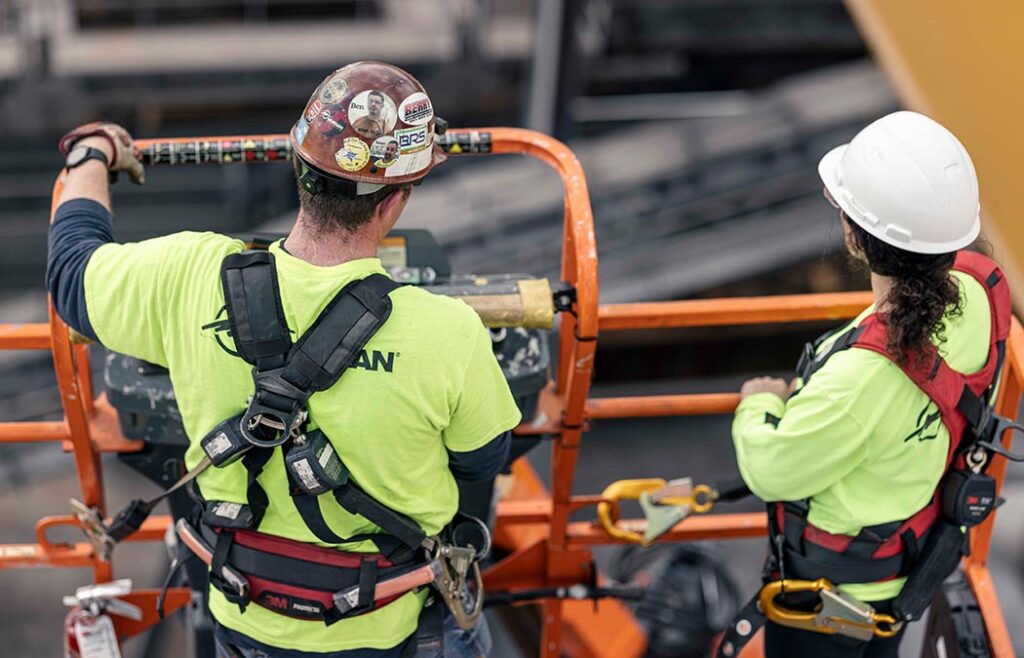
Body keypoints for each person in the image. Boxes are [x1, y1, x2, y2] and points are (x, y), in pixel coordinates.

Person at [47, 61, 521, 658]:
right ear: (395, 202)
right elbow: (483, 461)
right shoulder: (449, 332)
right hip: (388, 626)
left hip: (246, 618)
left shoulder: (188, 276)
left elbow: (69, 273)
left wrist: (89, 154)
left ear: (297, 165)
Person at [731, 111, 1005, 657]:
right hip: (907, 564)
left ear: (855, 237)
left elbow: (770, 469)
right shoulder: (978, 293)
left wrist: (758, 403)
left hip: (830, 596)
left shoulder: (860, 379)